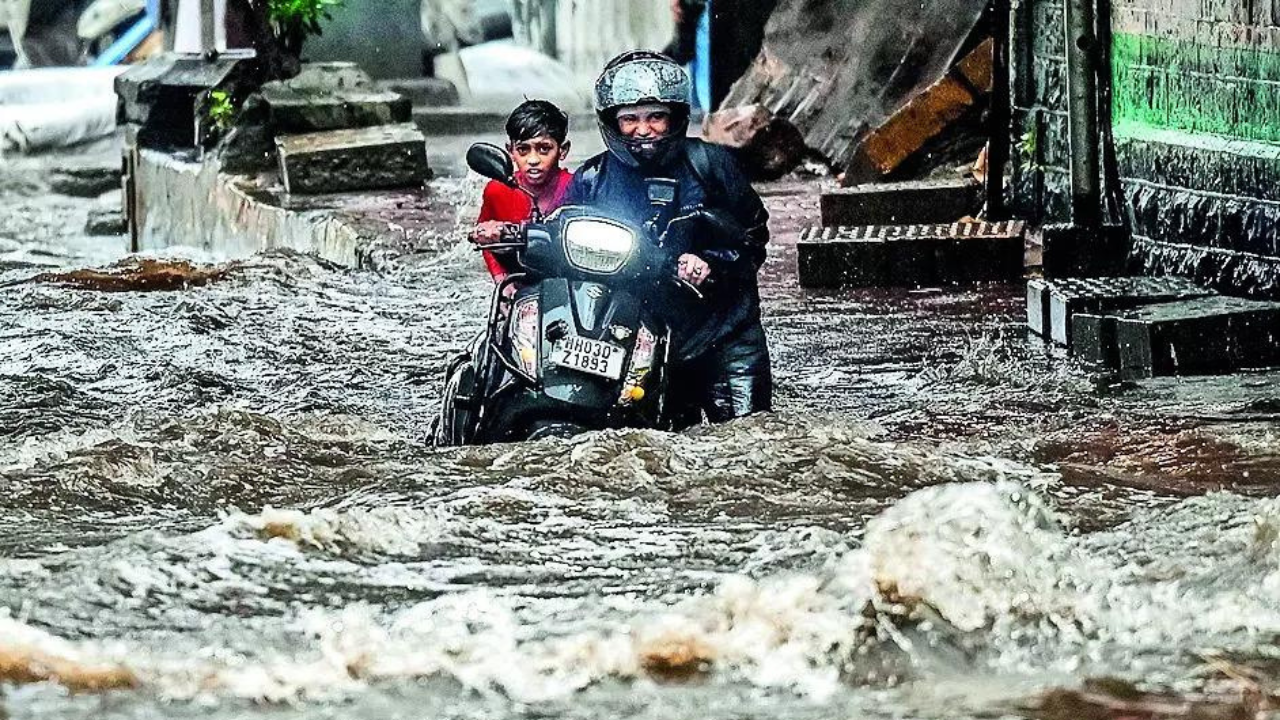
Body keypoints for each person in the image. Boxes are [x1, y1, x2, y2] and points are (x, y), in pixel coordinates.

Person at [564, 50, 772, 425]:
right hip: (640, 342)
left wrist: (711, 262)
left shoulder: (712, 164)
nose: (643, 130)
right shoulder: (591, 180)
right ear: (612, 122)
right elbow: (566, 247)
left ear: (675, 118)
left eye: (655, 117)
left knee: (749, 439)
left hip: (726, 337)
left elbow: (755, 236)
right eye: (630, 119)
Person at [471, 99, 574, 286]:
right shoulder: (497, 190)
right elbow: (486, 241)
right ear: (510, 152)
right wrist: (502, 280)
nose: (533, 160)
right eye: (523, 150)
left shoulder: (577, 187)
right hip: (519, 280)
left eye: (544, 149)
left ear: (562, 150)